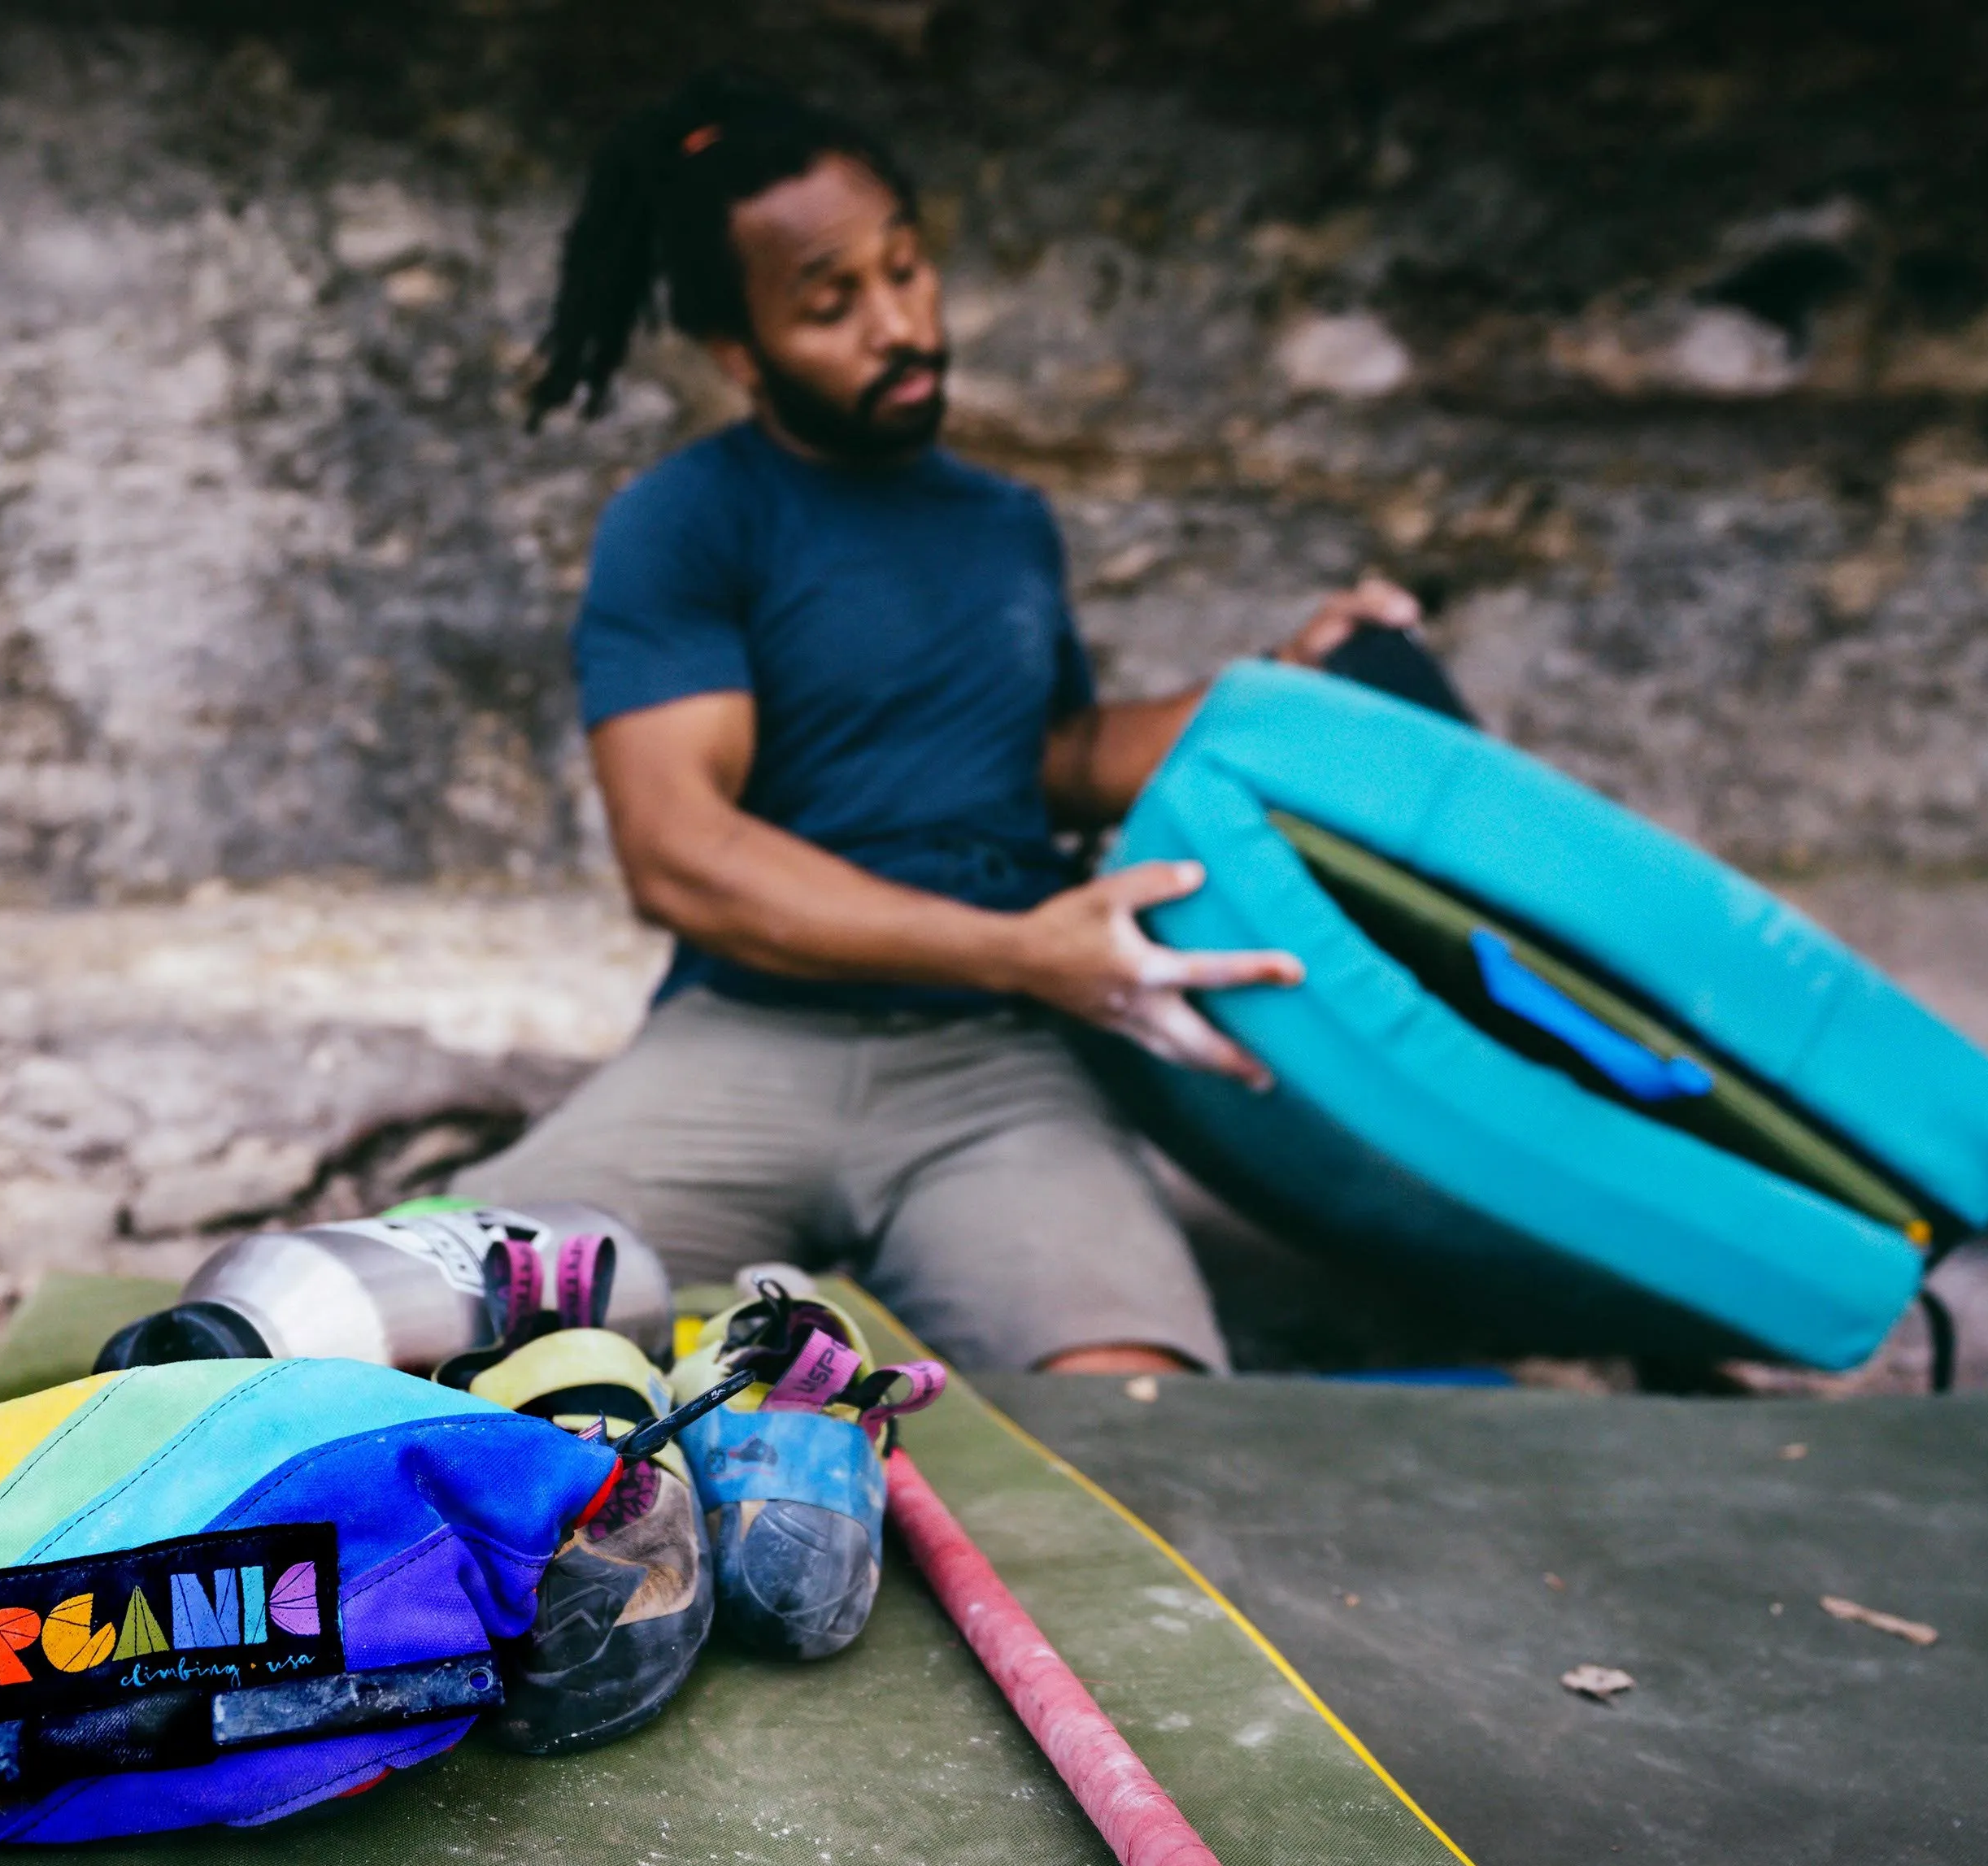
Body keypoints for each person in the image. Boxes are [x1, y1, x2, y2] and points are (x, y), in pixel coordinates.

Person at [455, 72, 1449, 1376]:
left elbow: (1047, 761)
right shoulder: (688, 519)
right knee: (427, 1325)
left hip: (994, 1076)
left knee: (1137, 1415)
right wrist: (1018, 950)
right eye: (832, 303)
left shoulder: (1004, 524)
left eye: (908, 272)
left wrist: (1296, 688)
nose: (900, 325)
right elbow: (679, 850)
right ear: (736, 349)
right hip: (745, 1043)